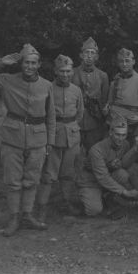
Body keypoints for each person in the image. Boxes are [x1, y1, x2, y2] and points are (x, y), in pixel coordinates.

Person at [0, 43, 56, 236]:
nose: (29, 66)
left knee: (32, 180)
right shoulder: (7, 80)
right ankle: (14, 218)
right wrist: (1, 62)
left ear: (39, 64)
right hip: (13, 137)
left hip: (38, 138)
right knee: (13, 181)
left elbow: (51, 116)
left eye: (33, 63)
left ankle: (27, 215)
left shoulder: (47, 85)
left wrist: (49, 141)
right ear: (21, 63)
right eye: (26, 62)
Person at [36, 55, 84, 222]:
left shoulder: (76, 90)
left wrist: (71, 128)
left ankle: (67, 203)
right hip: (53, 135)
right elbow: (42, 113)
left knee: (68, 173)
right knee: (49, 174)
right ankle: (41, 208)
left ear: (72, 71)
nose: (65, 74)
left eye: (68, 71)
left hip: (72, 135)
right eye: (62, 71)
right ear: (55, 72)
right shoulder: (47, 88)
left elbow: (80, 113)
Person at [75, 116, 138, 218]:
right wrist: (125, 192)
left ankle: (108, 196)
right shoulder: (97, 150)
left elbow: (124, 165)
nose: (120, 138)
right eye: (117, 134)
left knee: (123, 174)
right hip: (90, 182)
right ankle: (83, 197)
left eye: (123, 135)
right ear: (110, 133)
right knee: (94, 210)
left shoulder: (125, 144)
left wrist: (135, 149)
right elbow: (102, 177)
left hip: (107, 178)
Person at [105, 48, 138, 142]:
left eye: (127, 61)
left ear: (133, 61)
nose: (124, 64)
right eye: (121, 61)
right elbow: (110, 103)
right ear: (118, 63)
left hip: (134, 125)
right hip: (116, 124)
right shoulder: (115, 81)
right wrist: (107, 109)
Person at [71, 37, 109, 152]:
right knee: (73, 152)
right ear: (81, 55)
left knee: (94, 151)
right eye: (86, 52)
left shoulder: (103, 76)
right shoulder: (72, 73)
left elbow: (104, 100)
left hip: (94, 121)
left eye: (92, 53)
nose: (89, 56)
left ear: (96, 57)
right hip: (75, 119)